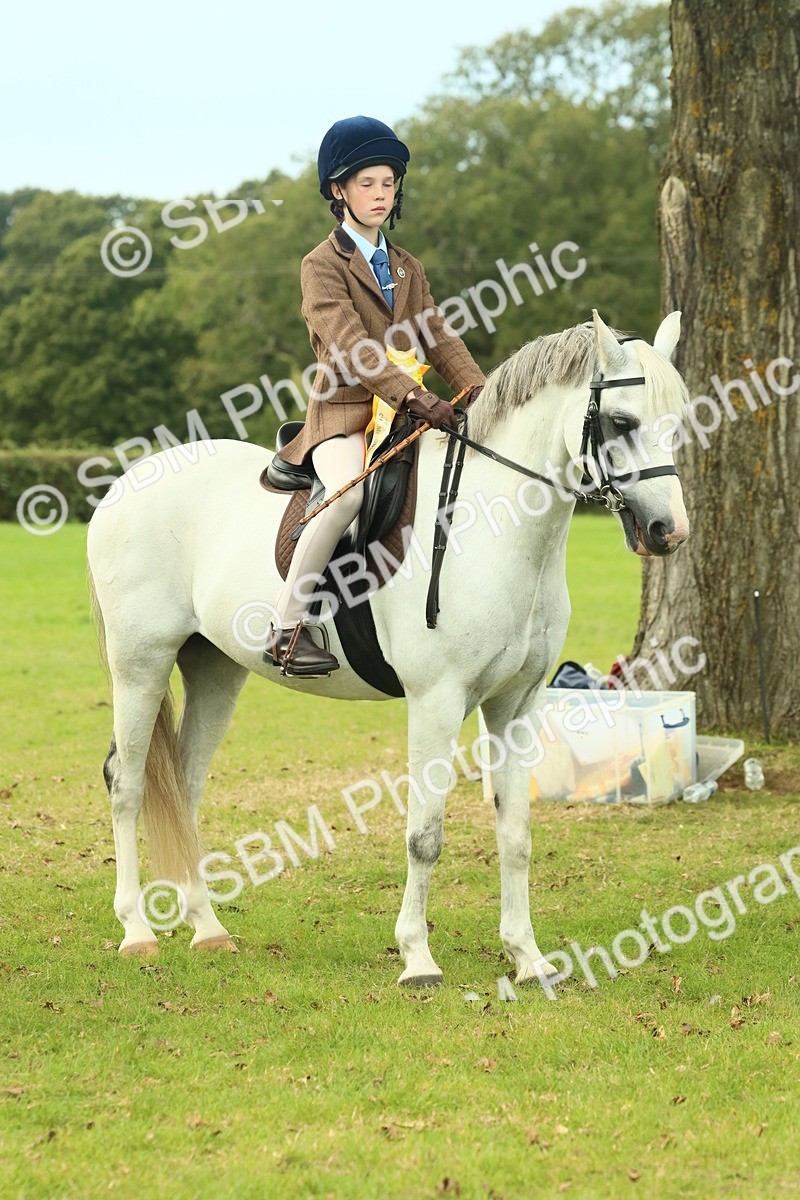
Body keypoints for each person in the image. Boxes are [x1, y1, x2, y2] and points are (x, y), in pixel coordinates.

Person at [266, 115, 485, 676]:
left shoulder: (408, 266)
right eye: (367, 183)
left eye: (388, 183)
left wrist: (480, 391)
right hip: (343, 416)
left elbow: (438, 335)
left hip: (400, 416)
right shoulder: (319, 265)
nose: (380, 194)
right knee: (344, 498)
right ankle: (287, 629)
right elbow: (351, 347)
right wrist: (415, 397)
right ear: (338, 191)